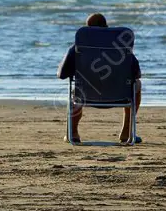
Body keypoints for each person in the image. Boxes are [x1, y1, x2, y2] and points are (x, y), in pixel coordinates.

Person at [57, 13, 142, 144]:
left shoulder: (78, 48)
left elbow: (62, 74)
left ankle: (73, 133)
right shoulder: (120, 48)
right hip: (119, 95)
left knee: (75, 91)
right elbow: (137, 74)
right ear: (106, 27)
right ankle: (126, 132)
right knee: (137, 85)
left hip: (86, 95)